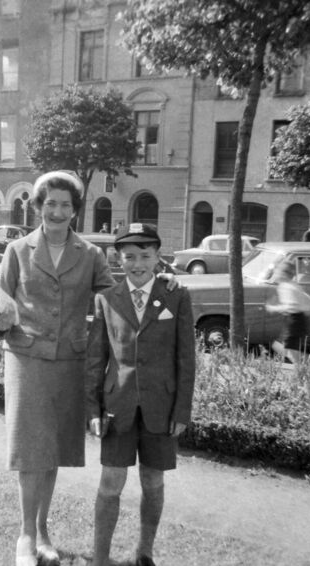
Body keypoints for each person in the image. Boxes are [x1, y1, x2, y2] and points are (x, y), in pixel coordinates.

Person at [0, 171, 115, 566]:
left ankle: (42, 533)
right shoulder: (17, 251)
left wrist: (154, 292)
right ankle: (25, 535)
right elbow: (0, 304)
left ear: (76, 211)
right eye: (50, 203)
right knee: (29, 449)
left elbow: (112, 300)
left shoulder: (91, 255)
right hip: (26, 358)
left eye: (65, 205)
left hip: (70, 363)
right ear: (38, 207)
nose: (57, 211)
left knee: (52, 448)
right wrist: (0, 321)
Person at [86, 223, 196, 566]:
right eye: (129, 256)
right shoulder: (107, 298)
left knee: (152, 480)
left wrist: (182, 411)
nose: (137, 264)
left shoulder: (176, 295)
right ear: (118, 259)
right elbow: (95, 359)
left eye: (145, 256)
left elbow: (186, 359)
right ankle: (101, 557)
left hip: (161, 408)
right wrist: (92, 409)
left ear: (158, 258)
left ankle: (144, 551)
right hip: (117, 406)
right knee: (110, 482)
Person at [265, 260, 310, 363]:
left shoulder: (285, 287)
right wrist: (305, 310)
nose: (275, 274)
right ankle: (305, 362)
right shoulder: (294, 285)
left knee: (288, 350)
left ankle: (307, 363)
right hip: (299, 320)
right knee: (282, 347)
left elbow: (291, 307)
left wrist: (273, 308)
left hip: (293, 320)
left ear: (284, 274)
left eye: (277, 271)